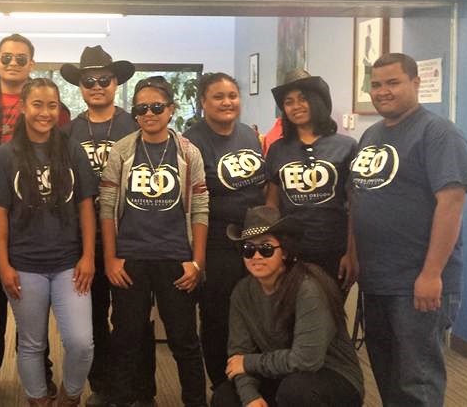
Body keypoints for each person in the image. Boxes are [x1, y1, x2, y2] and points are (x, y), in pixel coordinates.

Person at [349, 53, 467, 406]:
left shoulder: (439, 133)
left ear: (416, 83)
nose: (383, 91)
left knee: (417, 382)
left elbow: (451, 203)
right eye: (376, 84)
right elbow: (360, 197)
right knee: (388, 374)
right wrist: (354, 254)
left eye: (393, 82)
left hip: (418, 282)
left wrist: (431, 274)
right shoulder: (371, 134)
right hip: (377, 280)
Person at [0, 33, 62, 398]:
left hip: (34, 210)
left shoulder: (48, 103)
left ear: (32, 63)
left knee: (33, 298)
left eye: (21, 58)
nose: (13, 63)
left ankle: (39, 367)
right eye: (7, 57)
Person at [0, 78, 97, 406]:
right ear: (23, 107)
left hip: (69, 264)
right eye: (37, 104)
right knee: (32, 344)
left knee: (81, 343)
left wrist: (88, 256)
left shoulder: (72, 149)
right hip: (24, 265)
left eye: (52, 105)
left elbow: (86, 206)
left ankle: (69, 397)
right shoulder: (4, 155)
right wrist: (3, 265)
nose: (44, 112)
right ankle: (37, 399)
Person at [100, 76, 209, 407]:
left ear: (171, 110)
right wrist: (110, 259)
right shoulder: (122, 151)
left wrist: (197, 262)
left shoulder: (188, 152)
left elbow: (200, 209)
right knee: (127, 338)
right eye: (142, 108)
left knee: (184, 340)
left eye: (157, 107)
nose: (149, 113)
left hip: (175, 258)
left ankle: (195, 402)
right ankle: (128, 399)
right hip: (130, 258)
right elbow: (107, 208)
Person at [60, 46, 157, 406]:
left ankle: (142, 390)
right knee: (94, 318)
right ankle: (104, 386)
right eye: (89, 81)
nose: (97, 86)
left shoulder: (136, 124)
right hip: (85, 241)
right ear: (80, 86)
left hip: (132, 238)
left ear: (116, 83)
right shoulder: (68, 132)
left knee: (134, 319)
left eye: (104, 79)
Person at [210, 206, 364, 407]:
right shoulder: (242, 292)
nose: (256, 256)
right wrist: (250, 397)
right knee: (224, 397)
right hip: (282, 374)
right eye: (248, 249)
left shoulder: (308, 289)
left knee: (295, 390)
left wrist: (249, 362)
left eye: (266, 248)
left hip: (331, 376)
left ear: (284, 252)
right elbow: (238, 354)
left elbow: (306, 360)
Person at [183, 72, 267, 390]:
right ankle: (221, 385)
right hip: (216, 243)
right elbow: (188, 202)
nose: (227, 102)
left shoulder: (249, 135)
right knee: (218, 316)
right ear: (203, 102)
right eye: (218, 97)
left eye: (232, 95)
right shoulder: (191, 141)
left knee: (256, 314)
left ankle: (252, 382)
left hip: (255, 240)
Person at [265, 69, 359, 287]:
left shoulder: (346, 146)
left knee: (330, 306)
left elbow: (355, 205)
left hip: (334, 249)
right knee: (290, 306)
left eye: (303, 99)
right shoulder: (277, 149)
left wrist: (351, 253)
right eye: (289, 102)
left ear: (317, 101)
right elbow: (272, 203)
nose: (296, 106)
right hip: (291, 251)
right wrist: (274, 249)